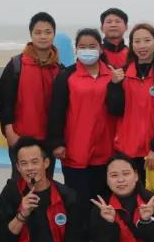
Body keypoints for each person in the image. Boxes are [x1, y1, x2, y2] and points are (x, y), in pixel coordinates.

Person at [48, 28, 115, 225]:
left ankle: (100, 237)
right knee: (78, 201)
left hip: (106, 149)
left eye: (92, 46)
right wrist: (57, 142)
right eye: (82, 47)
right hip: (75, 150)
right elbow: (56, 111)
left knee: (103, 201)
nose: (87, 51)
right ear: (76, 50)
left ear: (101, 49)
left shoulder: (112, 75)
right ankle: (78, 237)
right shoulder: (66, 76)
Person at [106, 23, 154, 186]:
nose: (142, 46)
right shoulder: (122, 74)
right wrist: (114, 86)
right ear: (131, 45)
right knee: (131, 196)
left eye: (147, 40)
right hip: (127, 150)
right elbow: (115, 110)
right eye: (137, 41)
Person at [0, 12, 62, 175]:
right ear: (31, 35)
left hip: (48, 141)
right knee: (20, 183)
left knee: (45, 182)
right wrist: (9, 132)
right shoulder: (16, 65)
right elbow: (4, 100)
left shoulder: (59, 69)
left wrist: (58, 140)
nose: (43, 36)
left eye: (48, 32)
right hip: (21, 139)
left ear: (54, 34)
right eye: (38, 32)